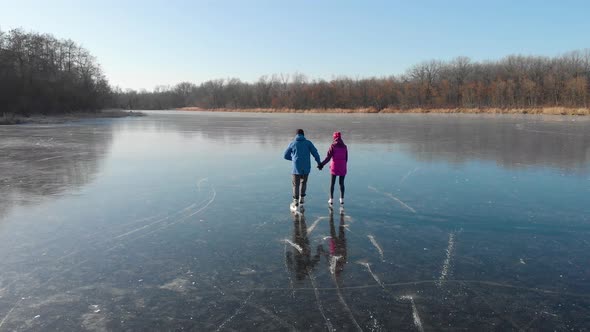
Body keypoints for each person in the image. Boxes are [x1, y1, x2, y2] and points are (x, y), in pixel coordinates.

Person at [283, 129, 322, 209]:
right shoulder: (308, 143)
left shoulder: (293, 143)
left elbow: (285, 156)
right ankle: (302, 199)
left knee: (295, 184)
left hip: (296, 168)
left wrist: (293, 159)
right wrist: (319, 162)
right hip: (306, 167)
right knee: (303, 182)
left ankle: (296, 201)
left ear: (296, 135)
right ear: (303, 135)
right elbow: (315, 153)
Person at [318, 131, 348, 208]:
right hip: (342, 166)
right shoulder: (344, 146)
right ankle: (342, 199)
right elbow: (346, 158)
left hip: (334, 166)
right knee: (341, 183)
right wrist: (343, 164)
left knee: (332, 183)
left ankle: (331, 199)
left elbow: (328, 157)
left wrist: (321, 164)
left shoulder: (333, 146)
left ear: (334, 137)